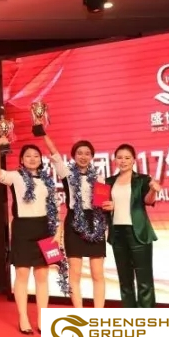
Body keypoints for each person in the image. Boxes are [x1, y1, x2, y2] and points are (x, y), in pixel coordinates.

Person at [0, 139, 62, 334]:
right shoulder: (15, 176)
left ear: (41, 159)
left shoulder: (48, 180)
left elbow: (55, 207)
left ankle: (42, 319)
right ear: (21, 159)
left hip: (45, 229)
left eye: (36, 156)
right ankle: (23, 317)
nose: (32, 159)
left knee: (42, 276)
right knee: (22, 274)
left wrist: (58, 231)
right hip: (23, 229)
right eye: (28, 156)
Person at [39, 129, 107, 308]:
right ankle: (79, 314)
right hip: (73, 223)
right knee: (75, 273)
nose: (83, 156)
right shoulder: (67, 173)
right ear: (74, 156)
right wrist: (42, 131)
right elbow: (54, 153)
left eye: (87, 153)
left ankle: (99, 315)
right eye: (79, 153)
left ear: (92, 156)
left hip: (94, 222)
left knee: (98, 273)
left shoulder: (99, 178)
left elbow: (101, 205)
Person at [103, 144, 160, 308]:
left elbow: (148, 201)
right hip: (117, 234)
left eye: (127, 158)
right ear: (115, 160)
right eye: (119, 157)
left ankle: (146, 317)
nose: (123, 161)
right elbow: (102, 205)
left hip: (138, 233)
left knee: (144, 280)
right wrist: (107, 206)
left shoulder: (142, 179)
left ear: (134, 160)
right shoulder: (109, 182)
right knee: (125, 280)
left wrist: (153, 190)